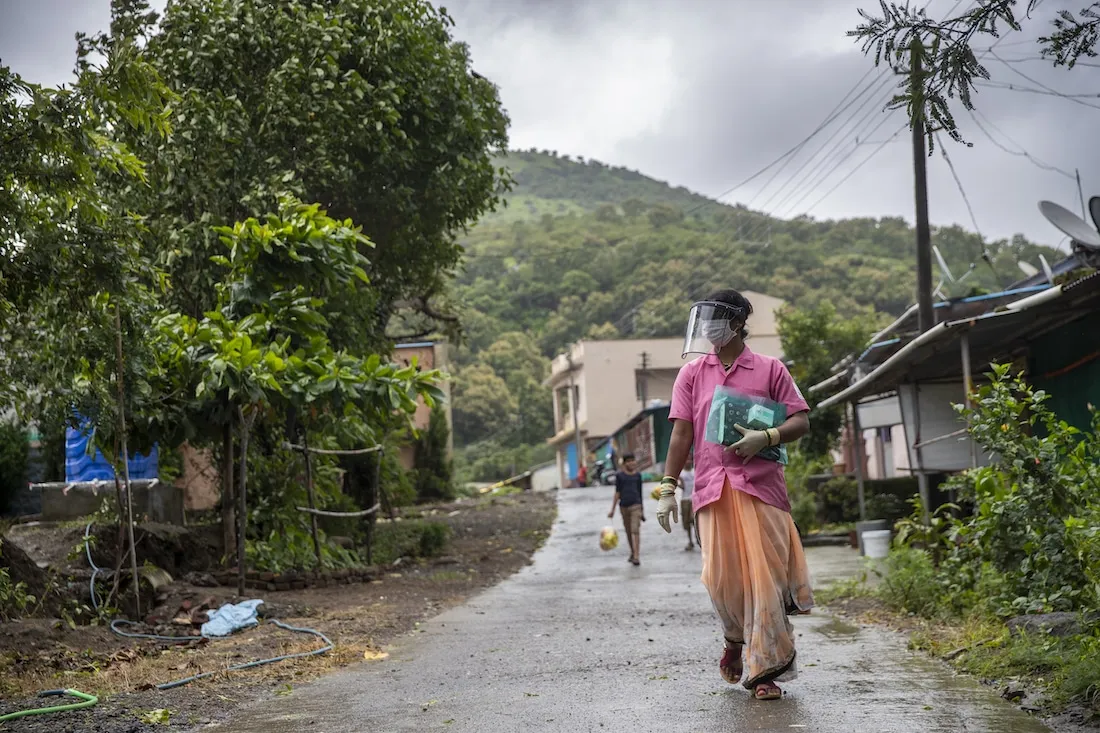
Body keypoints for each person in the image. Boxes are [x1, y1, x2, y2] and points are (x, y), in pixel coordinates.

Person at [655, 289, 814, 702]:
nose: (709, 328)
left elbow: (801, 420)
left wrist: (769, 436)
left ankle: (765, 671)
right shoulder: (691, 374)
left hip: (761, 489)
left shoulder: (770, 368)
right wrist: (668, 487)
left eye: (717, 318)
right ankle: (733, 639)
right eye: (704, 320)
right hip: (713, 490)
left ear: (740, 322)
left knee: (765, 581)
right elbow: (682, 433)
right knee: (722, 582)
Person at [608, 453, 645, 566]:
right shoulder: (620, 476)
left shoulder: (638, 476)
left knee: (635, 530)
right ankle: (632, 552)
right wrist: (612, 510)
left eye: (632, 460)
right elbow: (617, 493)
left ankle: (637, 556)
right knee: (629, 532)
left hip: (636, 506)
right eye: (628, 461)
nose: (631, 463)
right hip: (624, 506)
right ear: (624, 464)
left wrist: (642, 510)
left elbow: (640, 492)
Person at [680, 458, 697, 551]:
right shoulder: (681, 474)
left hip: (695, 498)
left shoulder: (696, 471)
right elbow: (682, 486)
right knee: (686, 522)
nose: (688, 462)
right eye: (686, 460)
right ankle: (690, 541)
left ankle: (698, 538)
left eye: (690, 460)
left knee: (694, 520)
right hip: (685, 499)